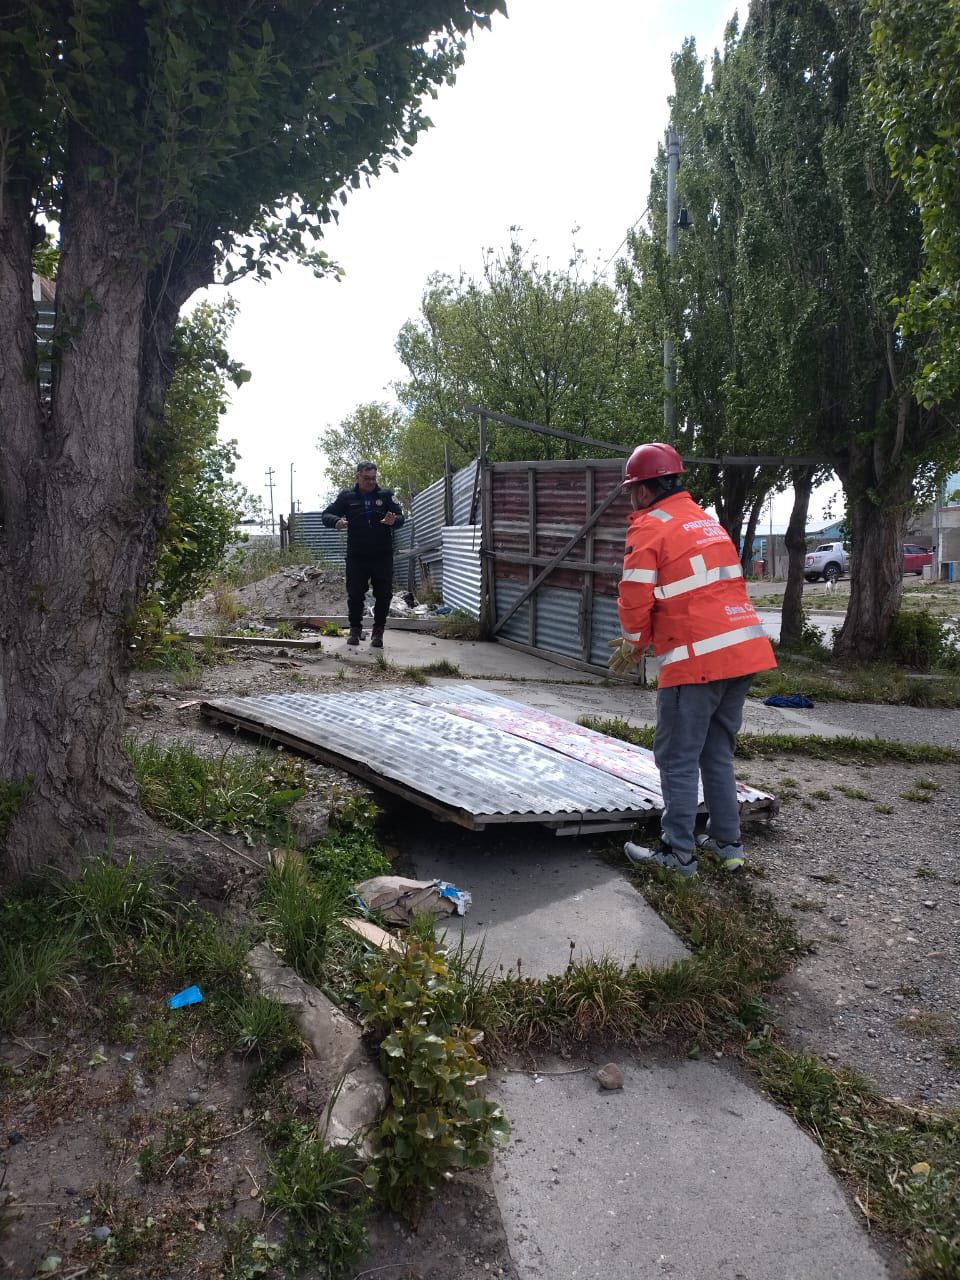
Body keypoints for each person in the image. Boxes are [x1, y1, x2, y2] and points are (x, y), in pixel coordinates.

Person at [610, 442, 777, 876]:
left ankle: (678, 853)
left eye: (632, 490)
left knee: (676, 759)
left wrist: (634, 644)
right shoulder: (707, 523)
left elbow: (634, 597)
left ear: (646, 491)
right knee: (717, 754)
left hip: (695, 660)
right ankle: (728, 844)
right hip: (743, 653)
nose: (631, 499)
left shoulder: (649, 528)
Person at [321, 461, 405, 647]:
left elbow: (401, 518)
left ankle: (378, 633)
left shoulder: (386, 496)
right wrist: (336, 521)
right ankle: (355, 630)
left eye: (374, 479)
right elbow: (326, 514)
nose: (370, 482)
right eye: (367, 478)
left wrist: (394, 521)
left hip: (381, 555)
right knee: (355, 593)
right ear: (358, 476)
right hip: (357, 555)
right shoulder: (347, 497)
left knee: (384, 594)